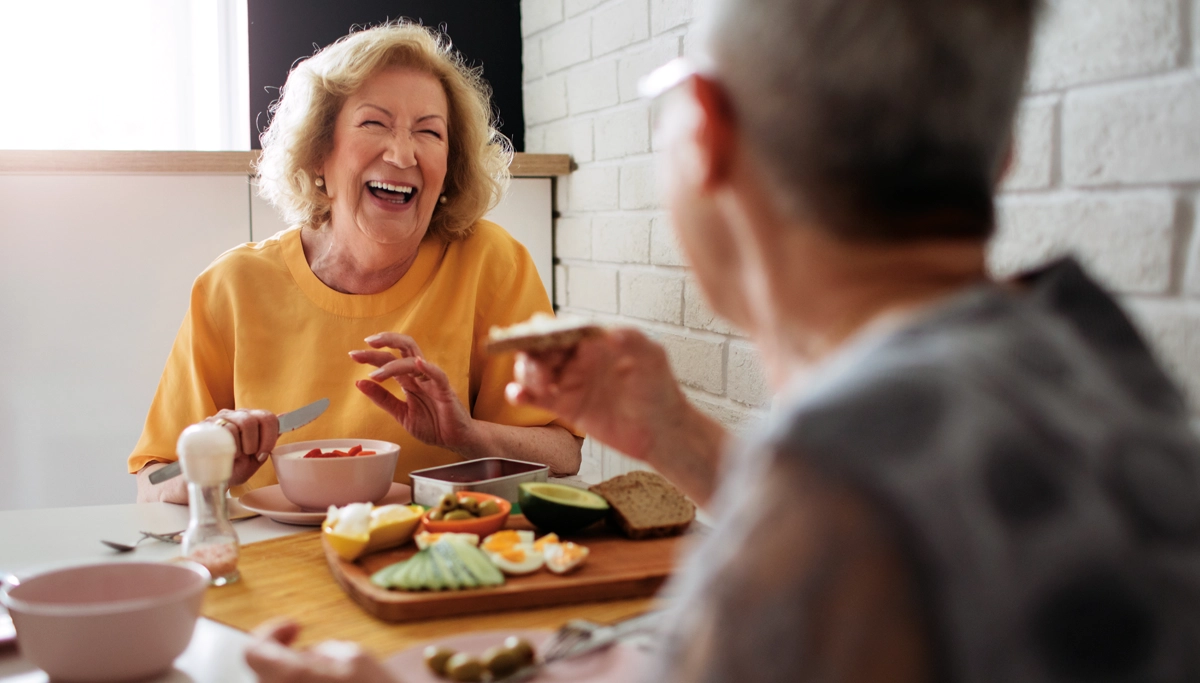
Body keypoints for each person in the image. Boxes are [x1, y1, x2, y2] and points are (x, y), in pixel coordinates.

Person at [246, 0, 1200, 681]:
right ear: (1001, 153)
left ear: (706, 136)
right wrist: (681, 437)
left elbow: (849, 523)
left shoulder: (835, 493)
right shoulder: (1097, 352)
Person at [131, 22, 582, 504]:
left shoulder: (492, 262)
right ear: (319, 152)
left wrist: (466, 433)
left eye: (429, 132)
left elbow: (563, 451)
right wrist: (212, 465)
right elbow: (153, 480)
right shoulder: (231, 286)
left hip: (433, 555)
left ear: (450, 169)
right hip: (272, 561)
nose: (402, 152)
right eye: (374, 123)